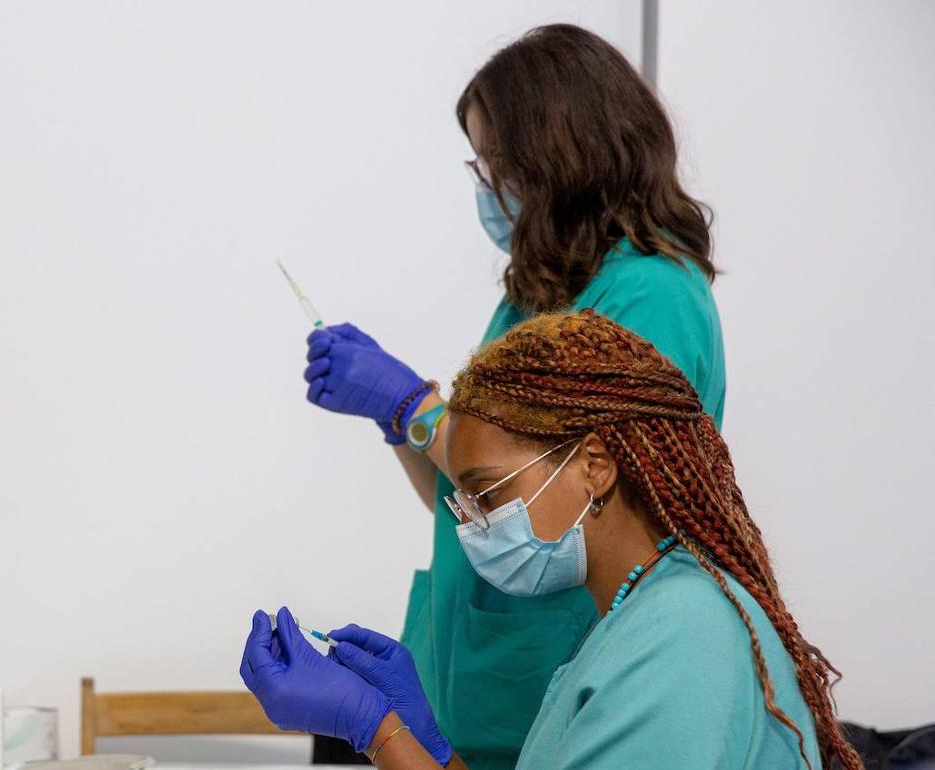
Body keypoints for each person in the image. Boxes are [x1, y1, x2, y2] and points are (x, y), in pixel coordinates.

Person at [301, 24, 724, 769]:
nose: (486, 185)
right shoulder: (532, 294)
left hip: (557, 656)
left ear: (558, 152)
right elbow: (474, 497)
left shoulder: (649, 295)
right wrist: (396, 422)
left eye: (494, 160)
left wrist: (412, 405)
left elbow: (556, 489)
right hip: (484, 672)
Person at [249, 310, 862, 770]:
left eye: (488, 492)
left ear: (595, 465)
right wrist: (424, 745)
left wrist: (378, 732)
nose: (475, 524)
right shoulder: (641, 614)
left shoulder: (682, 636)